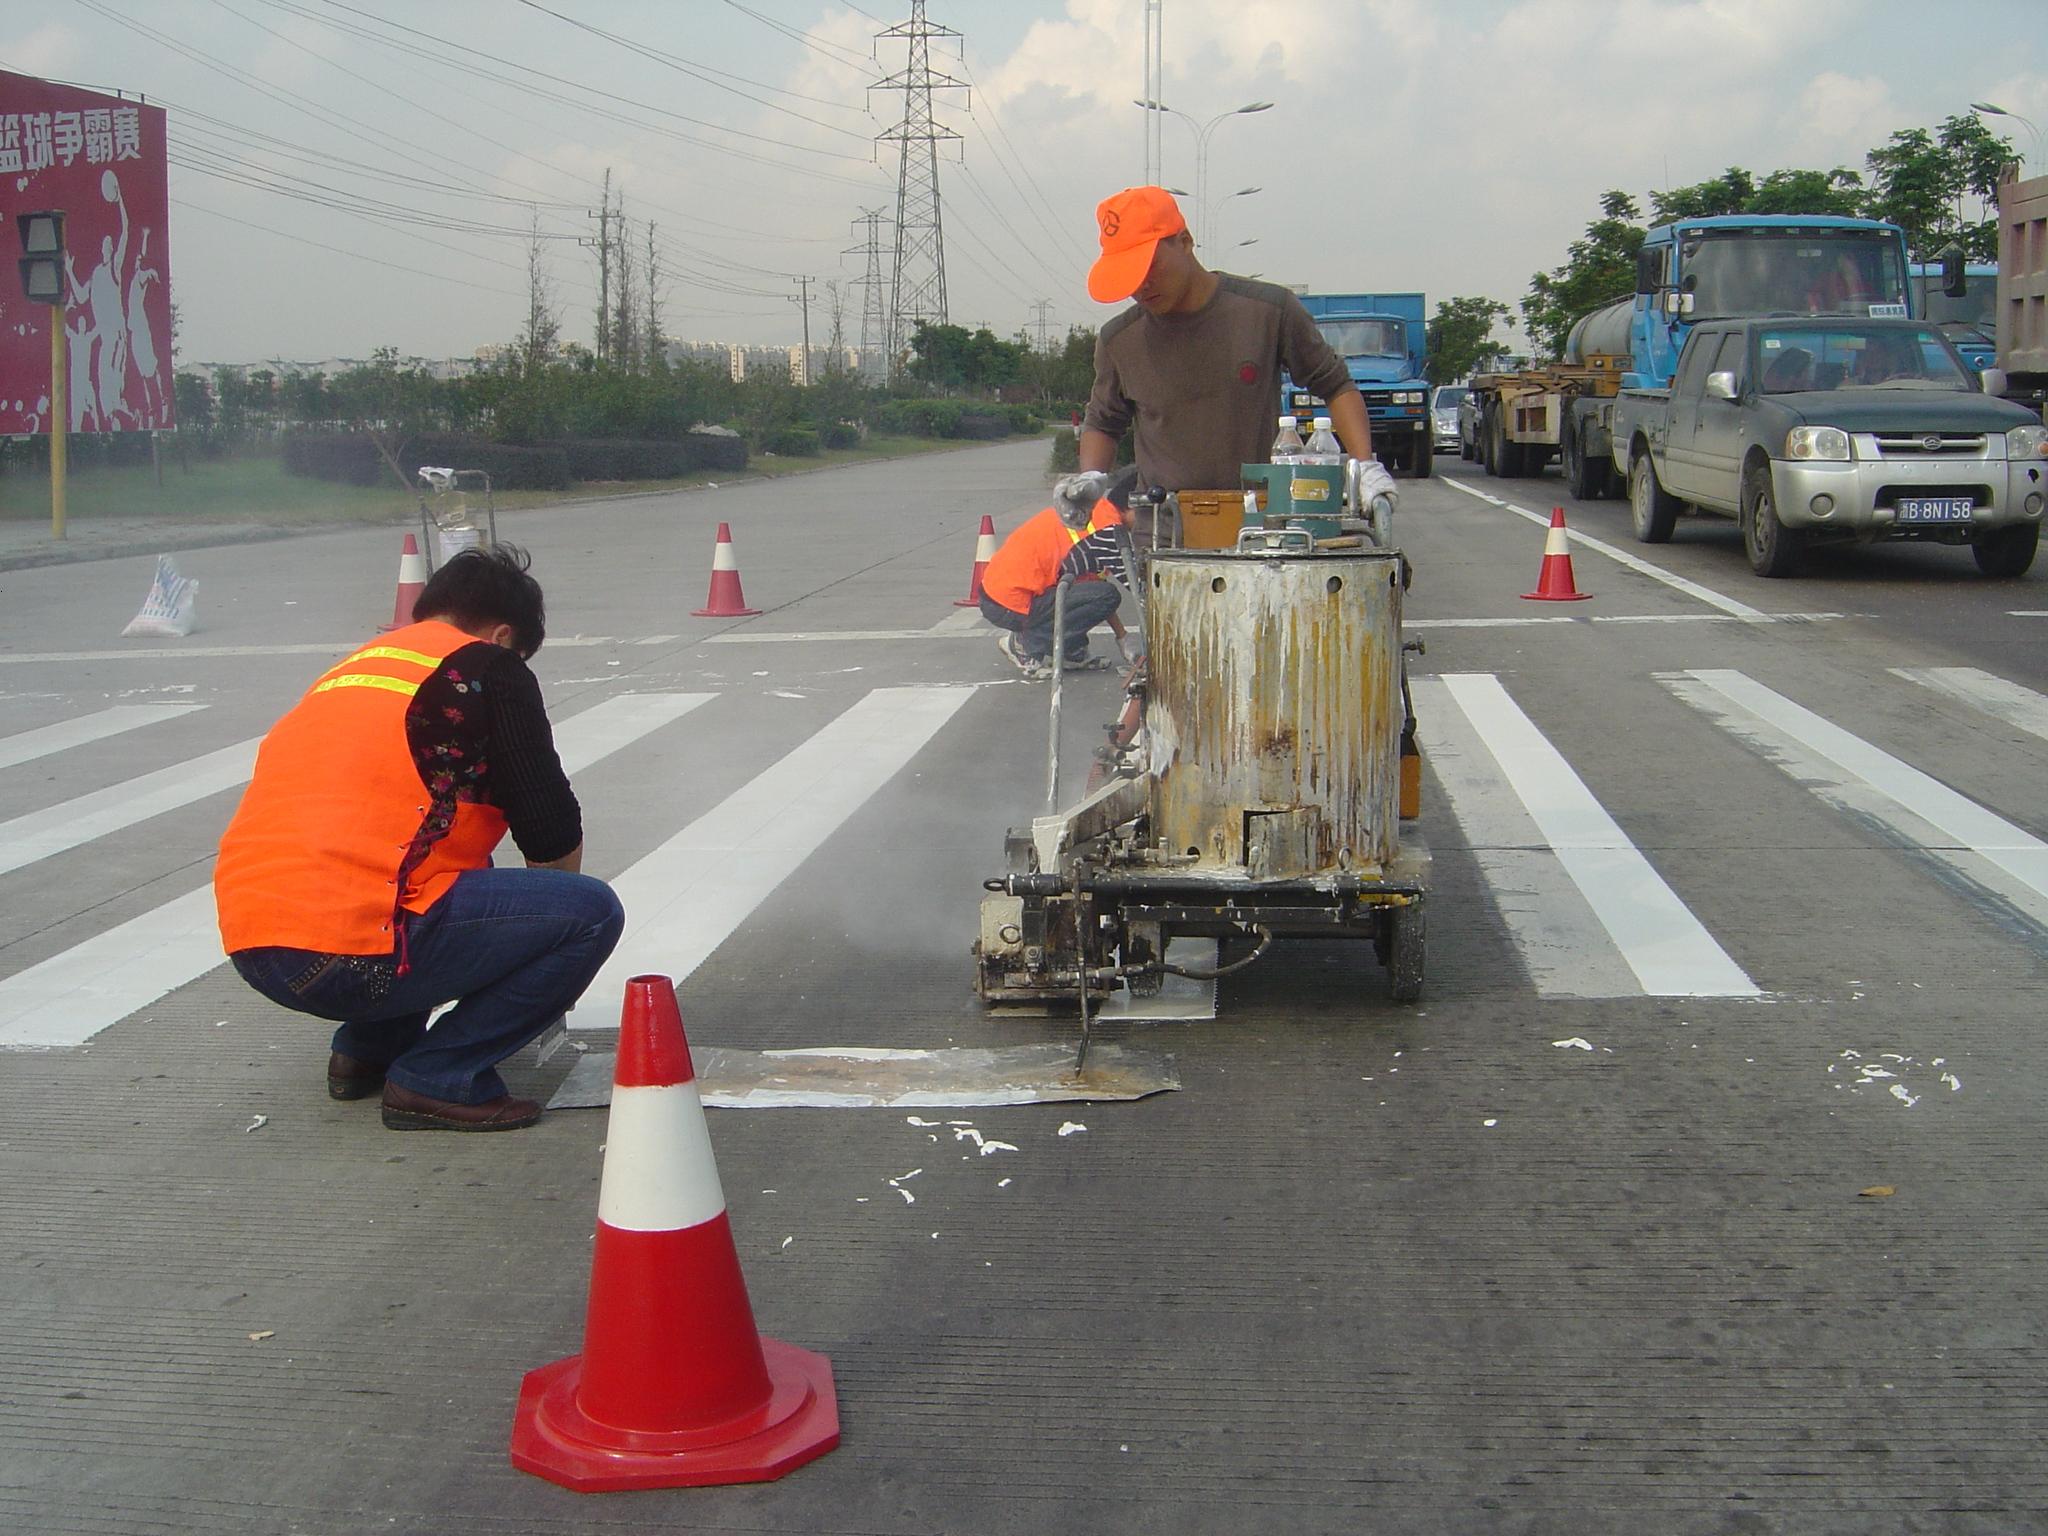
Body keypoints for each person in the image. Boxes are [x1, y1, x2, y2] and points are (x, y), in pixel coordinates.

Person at [214, 545, 624, 1133]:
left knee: (429, 882)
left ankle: (366, 1050)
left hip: (257, 945)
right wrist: (543, 961)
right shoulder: (485, 667)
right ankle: (438, 1075)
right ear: (504, 636)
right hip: (351, 956)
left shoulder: (357, 668)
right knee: (587, 913)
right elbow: (549, 825)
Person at [1077, 186, 1378, 496]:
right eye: (1129, 277)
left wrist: (1364, 466)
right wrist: (1088, 480)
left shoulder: (1269, 311)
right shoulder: (1120, 341)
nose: (1142, 286)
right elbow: (1103, 423)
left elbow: (1335, 385)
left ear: (1185, 242)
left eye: (1150, 267)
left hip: (1259, 521)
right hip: (1163, 529)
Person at [980, 471, 1132, 676]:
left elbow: (1089, 586)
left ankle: (1069, 651)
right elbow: (1100, 596)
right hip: (1011, 603)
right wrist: (1124, 639)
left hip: (1000, 594)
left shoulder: (1096, 510)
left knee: (1095, 593)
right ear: (1132, 507)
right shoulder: (1105, 527)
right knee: (1106, 595)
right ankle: (1025, 644)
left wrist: (1123, 638)